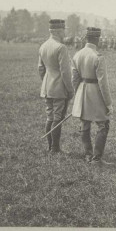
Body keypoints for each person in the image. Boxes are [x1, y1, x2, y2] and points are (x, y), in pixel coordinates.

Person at [71, 27, 113, 163]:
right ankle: (96, 158)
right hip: (95, 92)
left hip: (82, 91)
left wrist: (78, 94)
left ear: (86, 38)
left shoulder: (77, 55)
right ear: (97, 39)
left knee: (85, 123)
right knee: (103, 124)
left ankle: (88, 154)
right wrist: (108, 103)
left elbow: (74, 79)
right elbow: (103, 83)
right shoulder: (98, 56)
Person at [38, 19, 74, 153]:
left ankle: (50, 147)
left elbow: (40, 68)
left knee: (50, 116)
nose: (65, 33)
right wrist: (70, 90)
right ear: (59, 31)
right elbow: (65, 72)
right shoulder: (61, 47)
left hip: (47, 87)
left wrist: (46, 82)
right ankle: (55, 148)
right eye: (64, 30)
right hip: (59, 87)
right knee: (57, 117)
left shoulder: (43, 46)